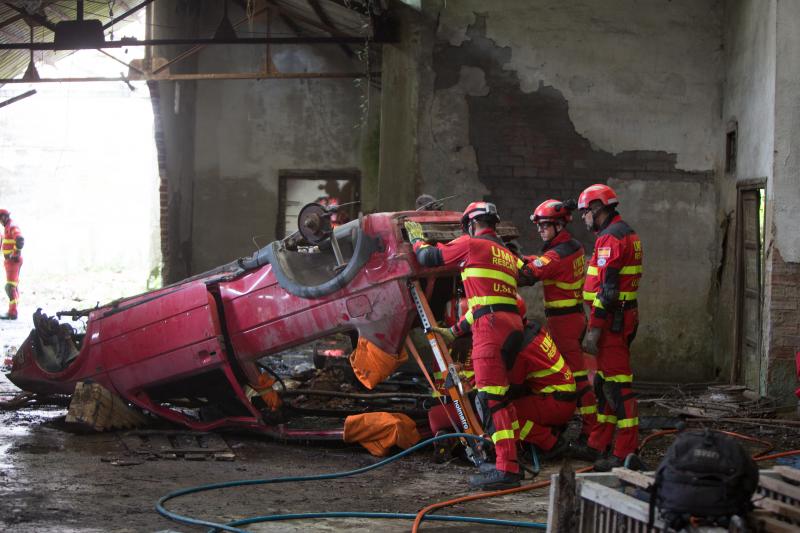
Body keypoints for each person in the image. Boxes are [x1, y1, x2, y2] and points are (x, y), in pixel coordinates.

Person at [405, 202, 524, 490]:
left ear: (471, 225)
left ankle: (506, 469)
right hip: (510, 324)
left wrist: (416, 238)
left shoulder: (471, 244)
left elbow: (429, 257)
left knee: (491, 400)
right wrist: (454, 332)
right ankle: (507, 461)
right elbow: (485, 301)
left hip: (491, 329)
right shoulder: (506, 254)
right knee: (500, 398)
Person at [519, 199, 598, 450]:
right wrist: (522, 257)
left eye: (546, 225)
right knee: (575, 374)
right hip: (571, 318)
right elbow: (543, 261)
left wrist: (504, 261)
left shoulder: (557, 255)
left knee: (577, 377)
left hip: (564, 321)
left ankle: (591, 431)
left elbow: (530, 274)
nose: (540, 230)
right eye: (539, 225)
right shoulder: (571, 247)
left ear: (560, 225)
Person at [577, 184, 643, 471]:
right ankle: (598, 443)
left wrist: (594, 329)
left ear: (597, 209)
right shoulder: (621, 233)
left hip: (612, 322)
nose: (583, 218)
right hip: (617, 319)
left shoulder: (611, 239)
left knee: (618, 387)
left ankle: (624, 452)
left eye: (585, 213)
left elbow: (608, 291)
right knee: (605, 384)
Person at [0, 209, 23, 320]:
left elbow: (20, 239)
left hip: (13, 262)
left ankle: (12, 312)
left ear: (4, 217)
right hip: (9, 262)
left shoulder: (12, 226)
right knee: (12, 287)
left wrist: (15, 254)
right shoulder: (7, 227)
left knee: (10, 287)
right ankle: (12, 311)